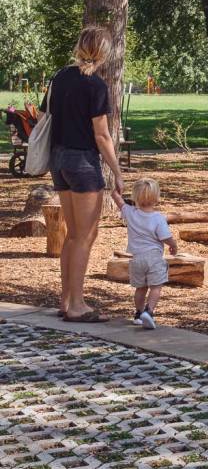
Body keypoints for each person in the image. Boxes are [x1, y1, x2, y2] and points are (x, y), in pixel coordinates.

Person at [49, 26, 124, 323]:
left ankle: (66, 300)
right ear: (104, 52)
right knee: (85, 235)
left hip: (58, 159)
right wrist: (117, 172)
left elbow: (45, 117)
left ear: (80, 47)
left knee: (71, 235)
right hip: (82, 163)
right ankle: (78, 306)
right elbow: (102, 136)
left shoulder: (60, 77)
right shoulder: (95, 85)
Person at [111, 178, 176, 330]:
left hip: (137, 259)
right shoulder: (158, 218)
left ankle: (138, 314)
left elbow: (116, 198)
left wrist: (117, 189)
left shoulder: (130, 213)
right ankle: (149, 311)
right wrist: (174, 245)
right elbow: (165, 237)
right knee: (155, 287)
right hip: (154, 258)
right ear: (156, 198)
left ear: (135, 197)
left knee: (140, 288)